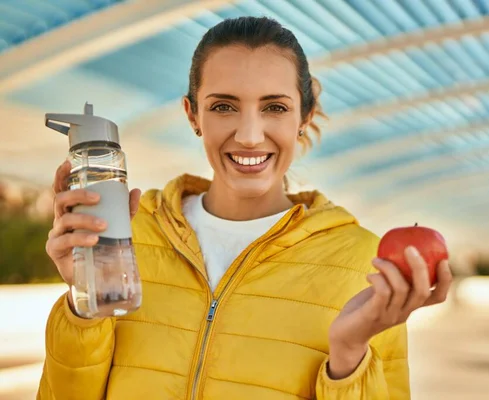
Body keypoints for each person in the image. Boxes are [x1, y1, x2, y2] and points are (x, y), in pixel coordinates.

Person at [38, 16, 452, 400]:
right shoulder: (125, 235)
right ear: (192, 114)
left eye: (275, 107)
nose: (250, 136)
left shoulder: (362, 261)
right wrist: (85, 300)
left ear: (304, 115)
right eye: (223, 106)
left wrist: (348, 356)